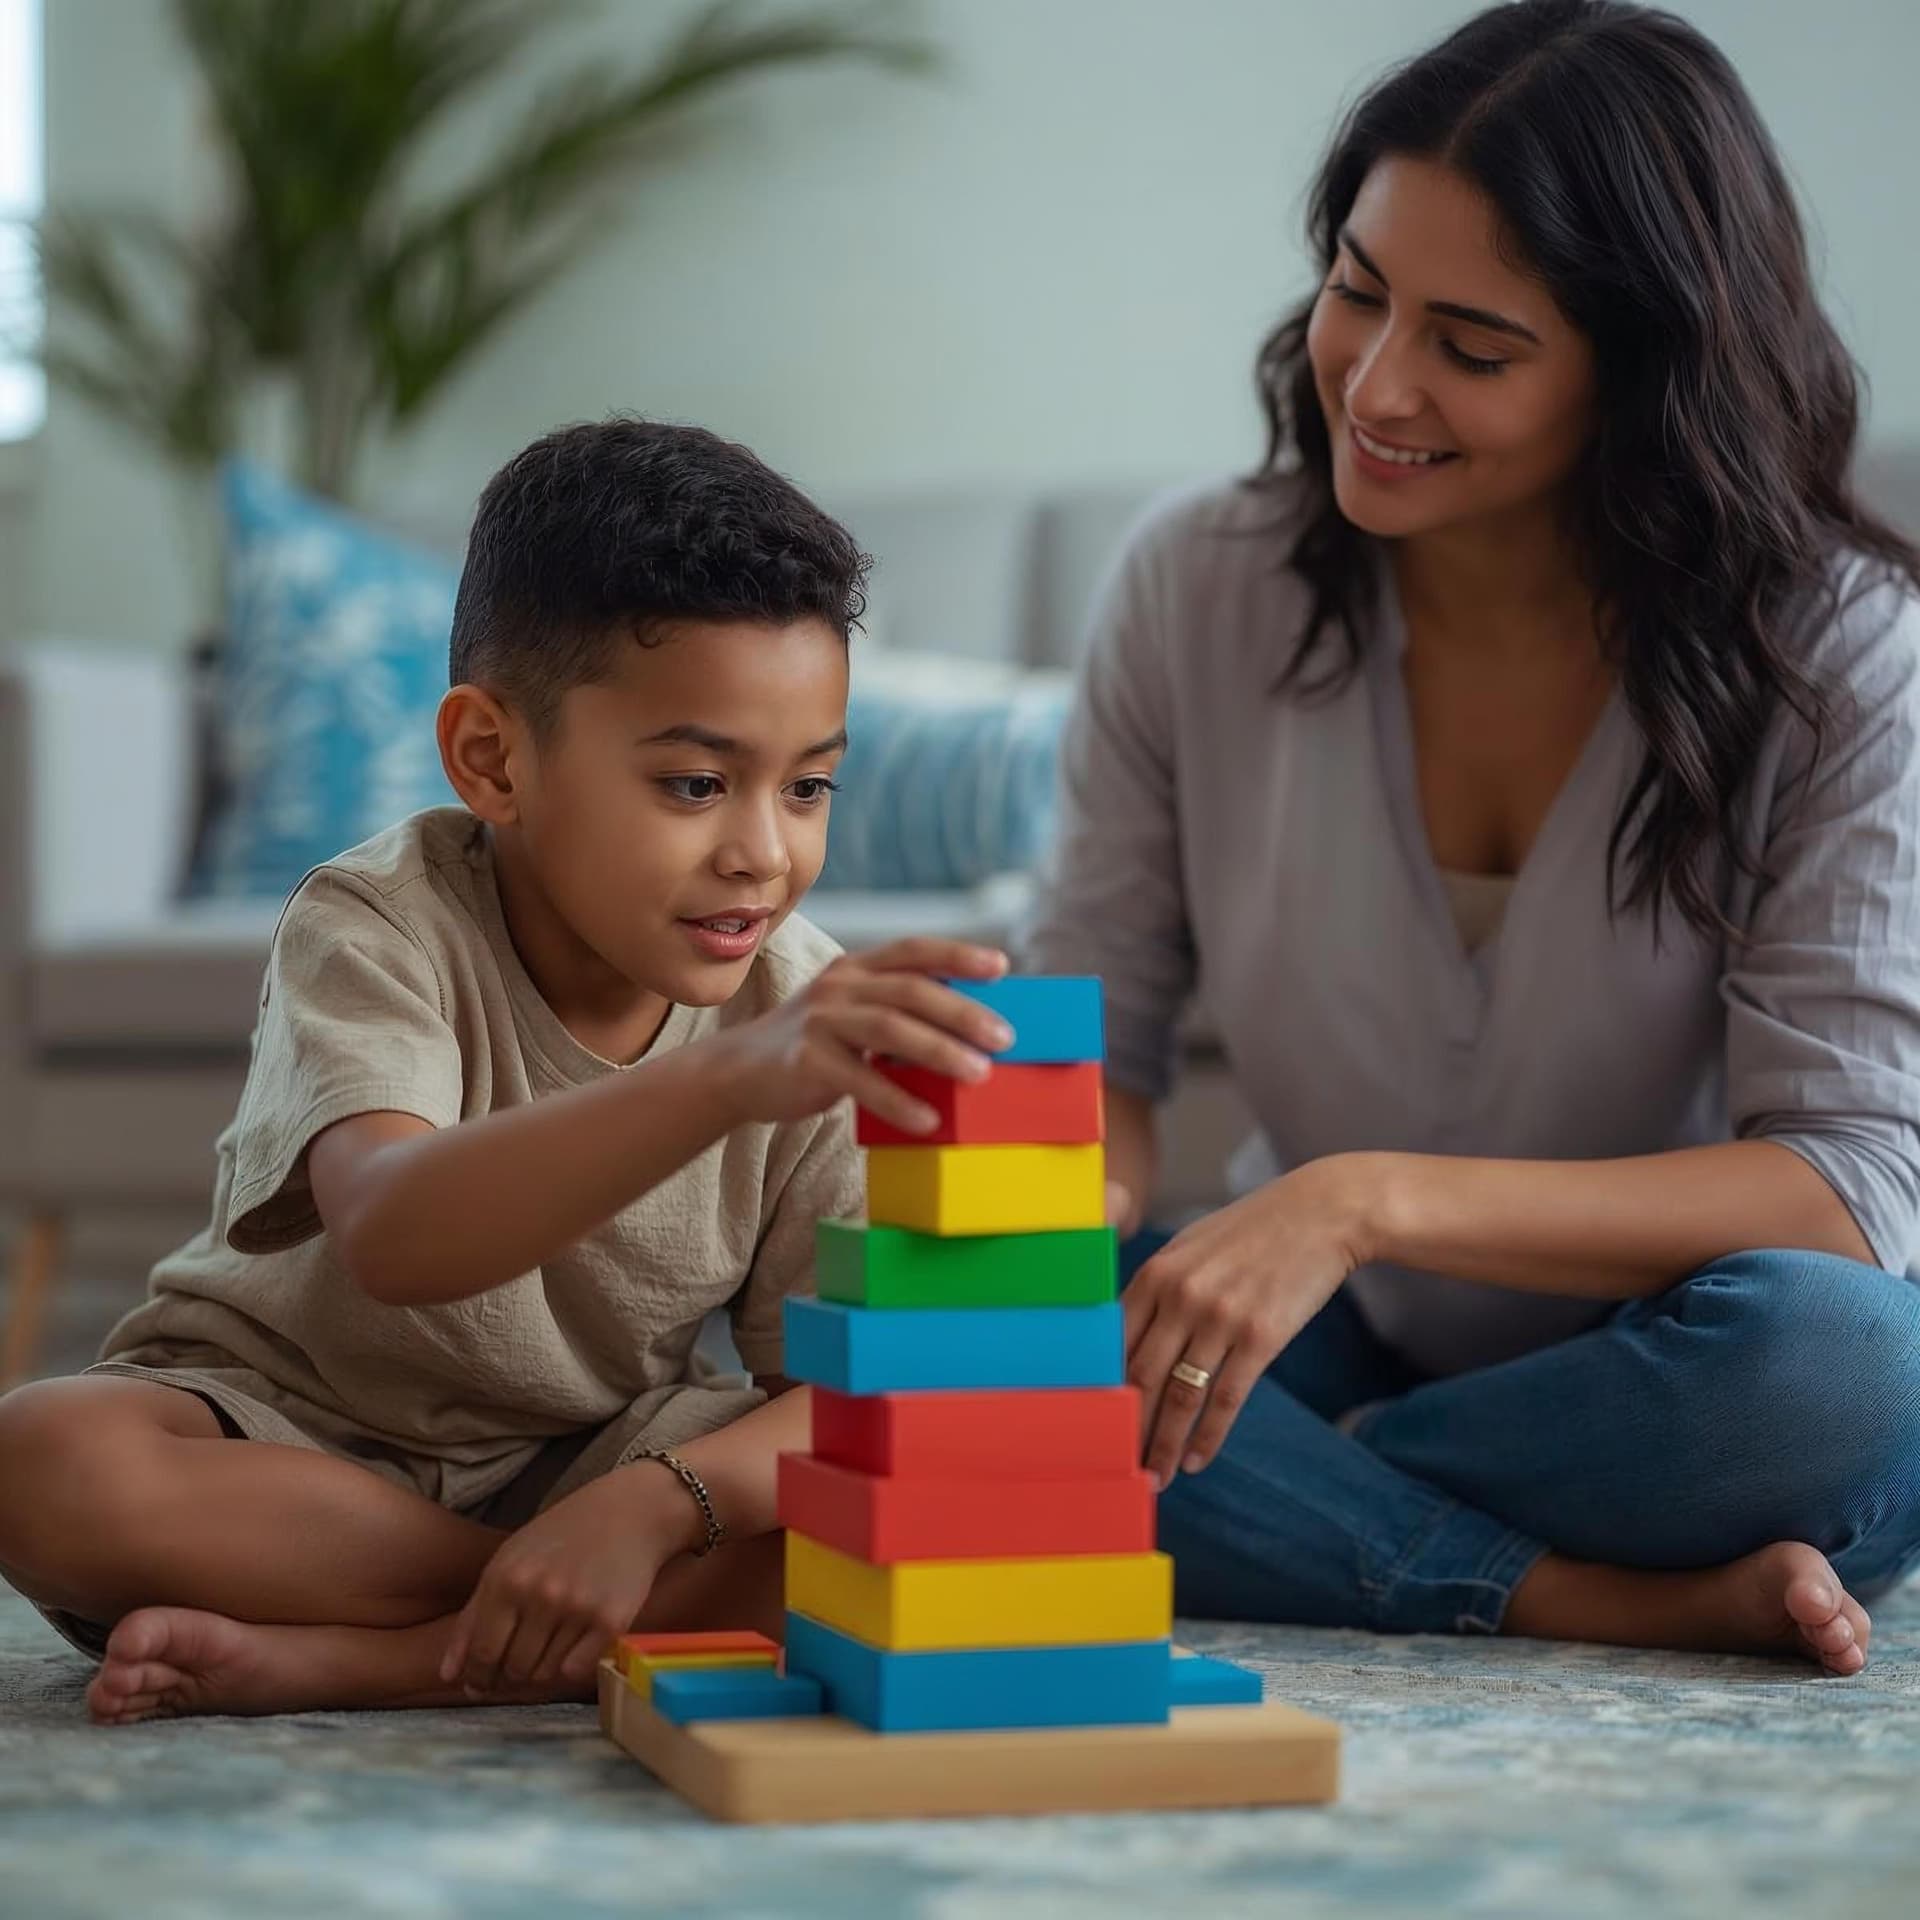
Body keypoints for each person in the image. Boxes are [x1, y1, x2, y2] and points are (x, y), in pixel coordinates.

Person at [1028, 0, 1920, 1674]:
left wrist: (1360, 1202)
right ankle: (1583, 1587)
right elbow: (1093, 1045)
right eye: (1357, 290)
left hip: (1665, 1356)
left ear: (1644, 374)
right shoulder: (1196, 583)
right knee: (957, 1335)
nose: (1377, 385)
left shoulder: (1843, 648)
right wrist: (1025, 1237)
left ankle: (1287, 1502)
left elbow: (1850, 1190)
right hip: (1316, 1337)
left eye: (1474, 347)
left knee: (1851, 1374)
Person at [0, 419, 1010, 1722]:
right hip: (289, 1437)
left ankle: (389, 1659)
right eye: (696, 784)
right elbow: (395, 1233)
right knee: (45, 1463)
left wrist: (656, 1506)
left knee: (941, 1497)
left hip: (598, 1466)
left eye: (808, 788)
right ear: (492, 759)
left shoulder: (807, 1011)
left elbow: (844, 1398)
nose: (764, 854)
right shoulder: (380, 922)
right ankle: (528, 1614)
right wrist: (723, 1082)